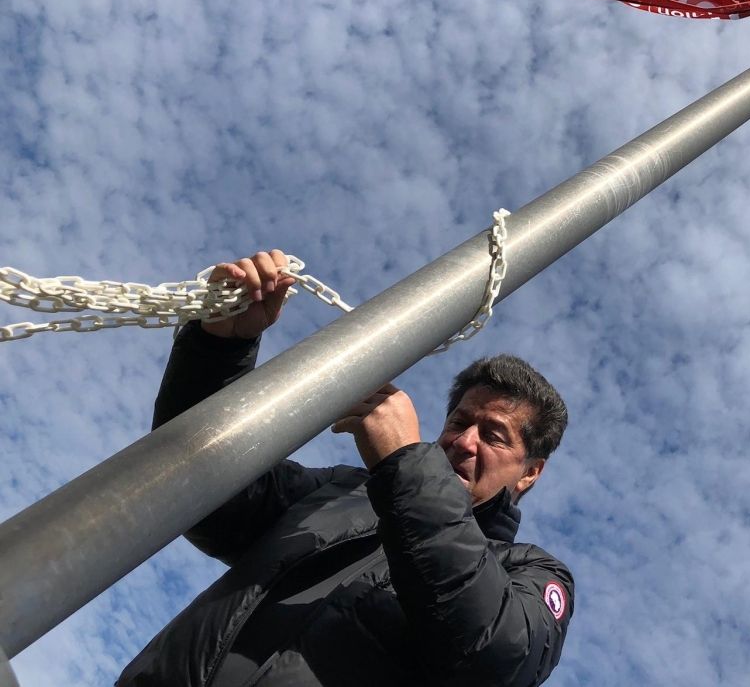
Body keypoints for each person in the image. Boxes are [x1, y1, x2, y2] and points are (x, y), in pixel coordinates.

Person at [117, 250, 573, 687]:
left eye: (493, 435)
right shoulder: (345, 491)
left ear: (530, 472)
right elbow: (202, 487)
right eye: (459, 421)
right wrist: (219, 348)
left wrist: (404, 467)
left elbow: (493, 656)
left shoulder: (532, 573)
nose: (464, 442)